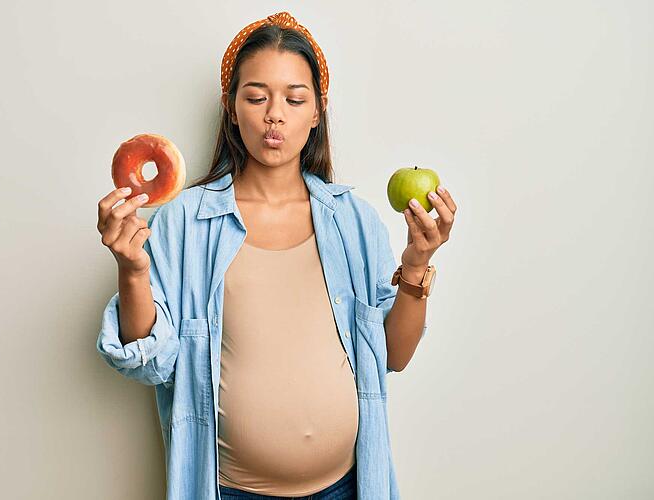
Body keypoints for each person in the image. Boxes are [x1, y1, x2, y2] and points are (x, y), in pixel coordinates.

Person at [96, 11, 457, 500]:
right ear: (231, 106)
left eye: (294, 97)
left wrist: (415, 266)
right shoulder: (181, 222)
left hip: (347, 488)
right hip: (230, 490)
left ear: (317, 111)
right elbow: (149, 363)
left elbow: (392, 355)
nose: (275, 114)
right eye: (256, 96)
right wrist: (132, 269)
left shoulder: (354, 219)